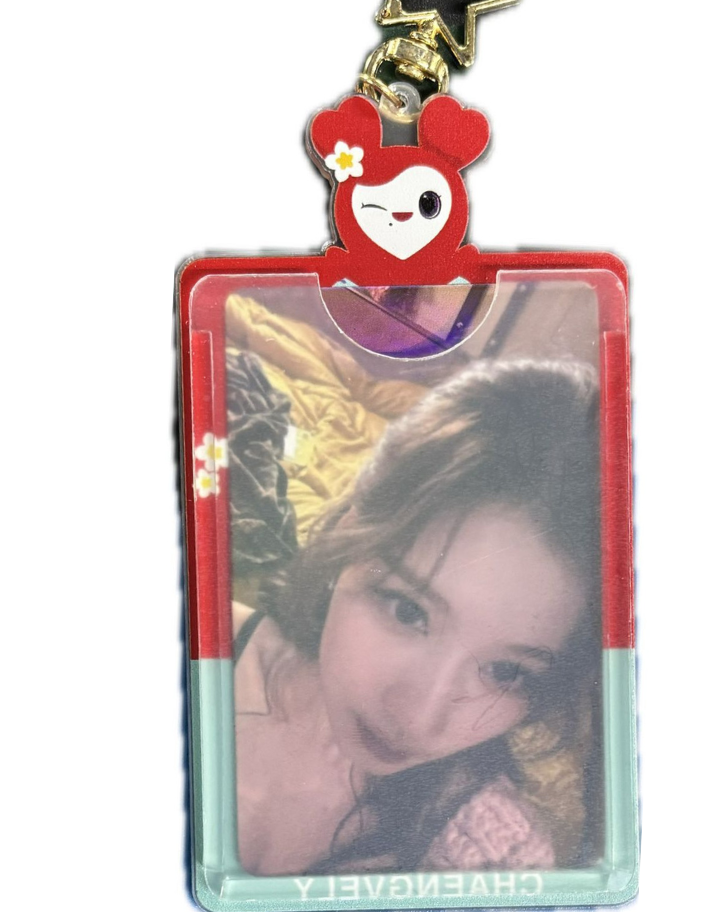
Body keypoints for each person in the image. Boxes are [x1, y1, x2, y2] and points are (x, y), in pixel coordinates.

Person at [231, 359, 602, 875]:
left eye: (505, 672)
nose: (418, 718)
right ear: (352, 532)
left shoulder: (492, 858)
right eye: (408, 611)